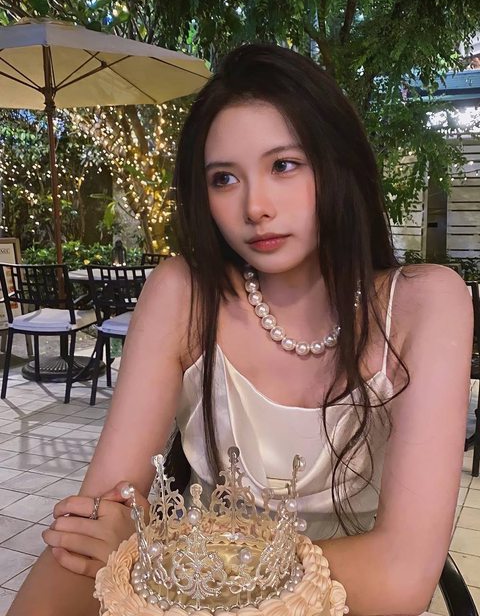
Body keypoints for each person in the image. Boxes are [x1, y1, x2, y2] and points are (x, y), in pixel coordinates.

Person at [8, 44, 472, 616]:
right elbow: (105, 515)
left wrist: (167, 557)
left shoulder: (425, 303)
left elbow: (400, 579)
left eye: (284, 165)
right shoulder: (183, 294)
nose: (255, 206)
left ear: (338, 162)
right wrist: (129, 538)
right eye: (224, 178)